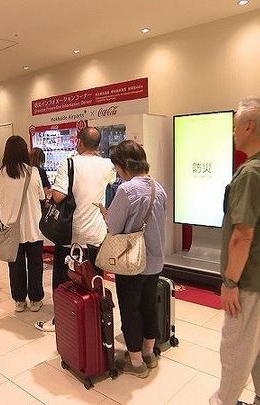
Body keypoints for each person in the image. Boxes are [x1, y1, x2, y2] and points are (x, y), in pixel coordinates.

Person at [210, 97, 260, 405]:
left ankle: (223, 401)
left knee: (236, 346)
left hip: (251, 278)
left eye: (235, 126)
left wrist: (230, 282)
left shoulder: (252, 172)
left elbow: (242, 236)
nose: (234, 132)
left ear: (249, 126)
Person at [95, 140, 167, 379]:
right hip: (155, 259)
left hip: (131, 262)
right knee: (149, 305)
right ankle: (149, 353)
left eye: (117, 168)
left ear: (124, 165)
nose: (117, 173)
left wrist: (106, 214)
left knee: (131, 310)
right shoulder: (159, 188)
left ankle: (135, 362)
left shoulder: (126, 190)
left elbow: (114, 227)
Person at [35, 126, 117, 332]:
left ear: (79, 142)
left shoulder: (69, 163)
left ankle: (62, 321)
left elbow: (58, 196)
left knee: (65, 280)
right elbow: (110, 184)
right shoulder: (108, 165)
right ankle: (93, 320)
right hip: (97, 233)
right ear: (98, 145)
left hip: (71, 233)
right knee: (94, 279)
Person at [0, 136, 46, 312]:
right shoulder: (33, 172)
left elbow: (1, 199)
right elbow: (41, 196)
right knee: (35, 264)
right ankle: (35, 300)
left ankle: (19, 300)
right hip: (33, 226)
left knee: (15, 266)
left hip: (11, 228)